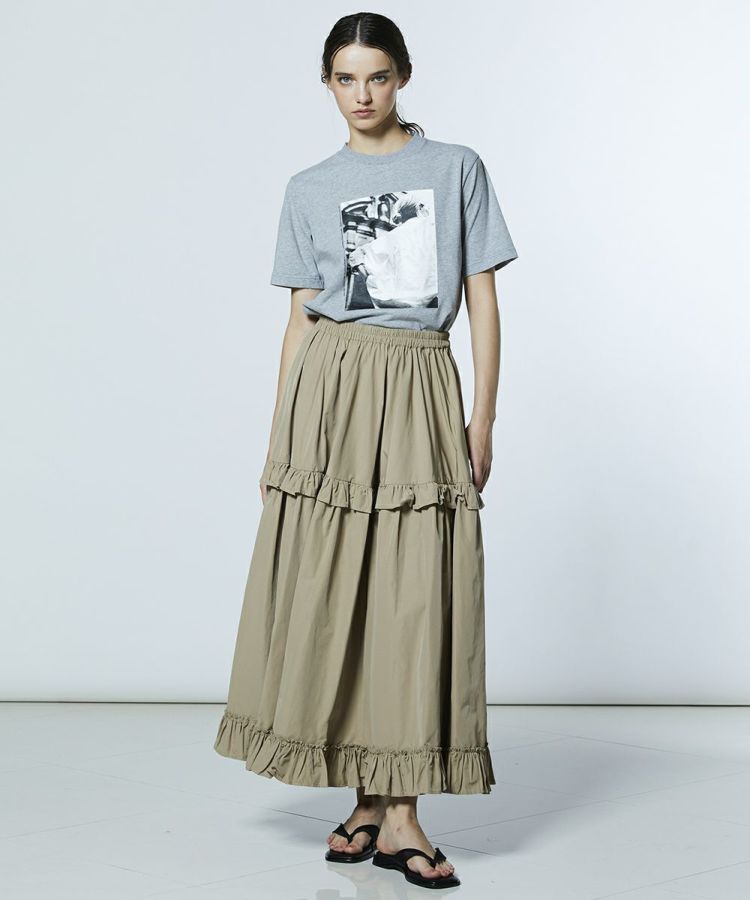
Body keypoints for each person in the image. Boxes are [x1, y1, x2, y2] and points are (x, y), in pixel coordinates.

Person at [213, 11, 518, 891]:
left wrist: (483, 418)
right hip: (331, 390)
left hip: (419, 382)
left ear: (402, 77)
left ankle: (404, 810)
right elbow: (298, 319)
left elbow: (482, 298)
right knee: (339, 589)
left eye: (376, 76)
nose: (362, 95)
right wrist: (280, 435)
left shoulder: (455, 167)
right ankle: (367, 803)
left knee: (414, 591)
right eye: (345, 79)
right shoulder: (309, 185)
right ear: (327, 83)